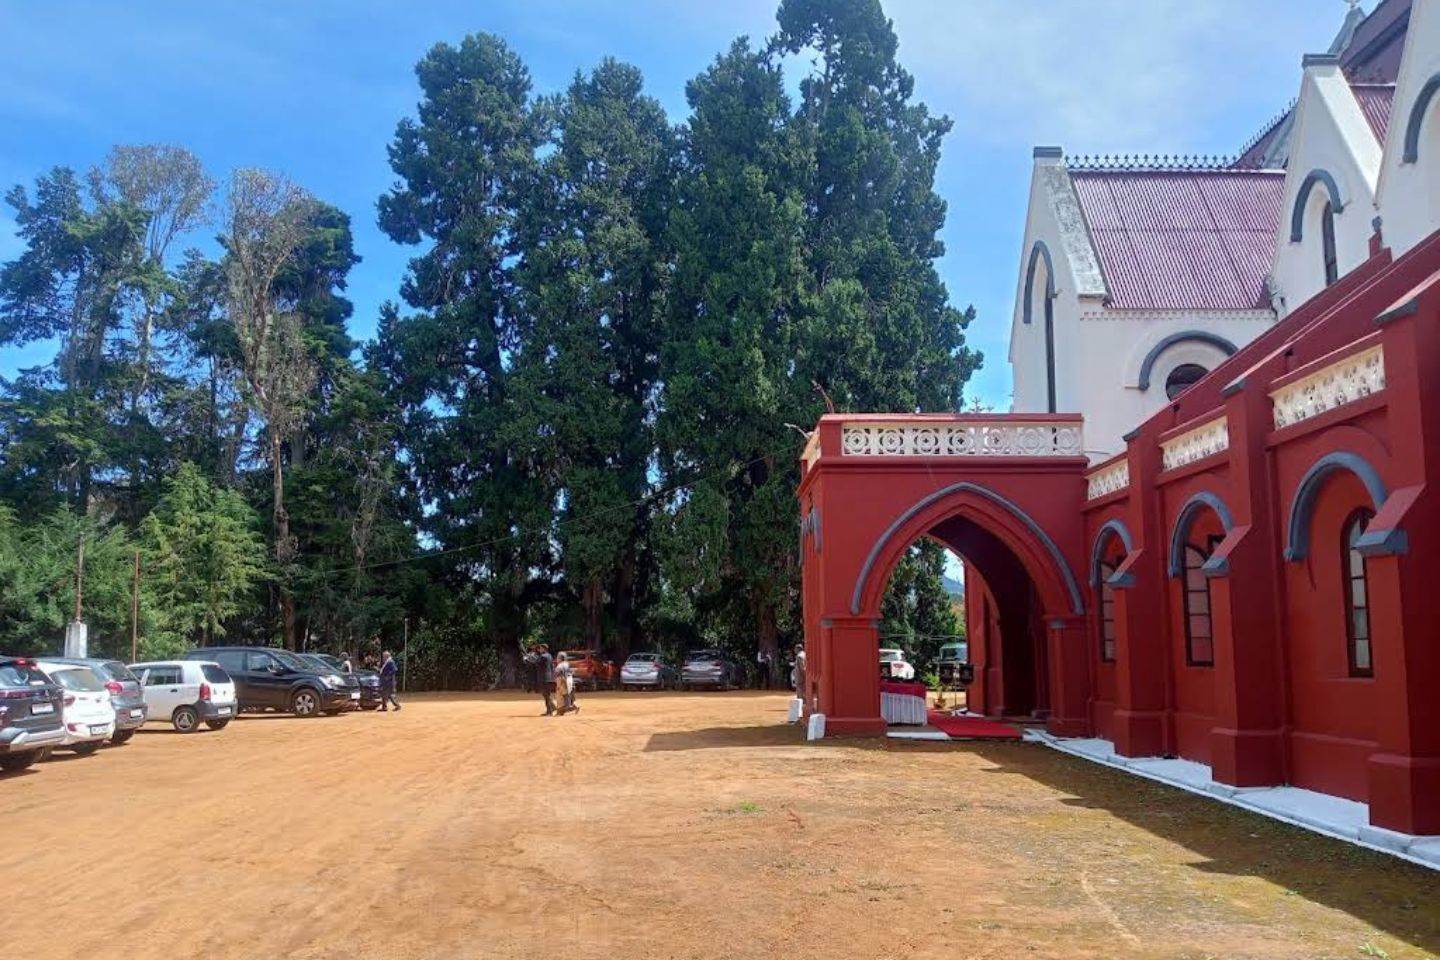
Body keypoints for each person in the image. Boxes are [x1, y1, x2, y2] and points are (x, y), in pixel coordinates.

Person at [523, 643, 555, 716]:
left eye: (540, 648)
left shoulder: (543, 656)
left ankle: (550, 710)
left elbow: (535, 663)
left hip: (544, 678)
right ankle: (551, 708)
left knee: (546, 695)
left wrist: (527, 659)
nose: (539, 650)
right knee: (547, 694)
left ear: (544, 649)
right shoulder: (549, 655)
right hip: (548, 677)